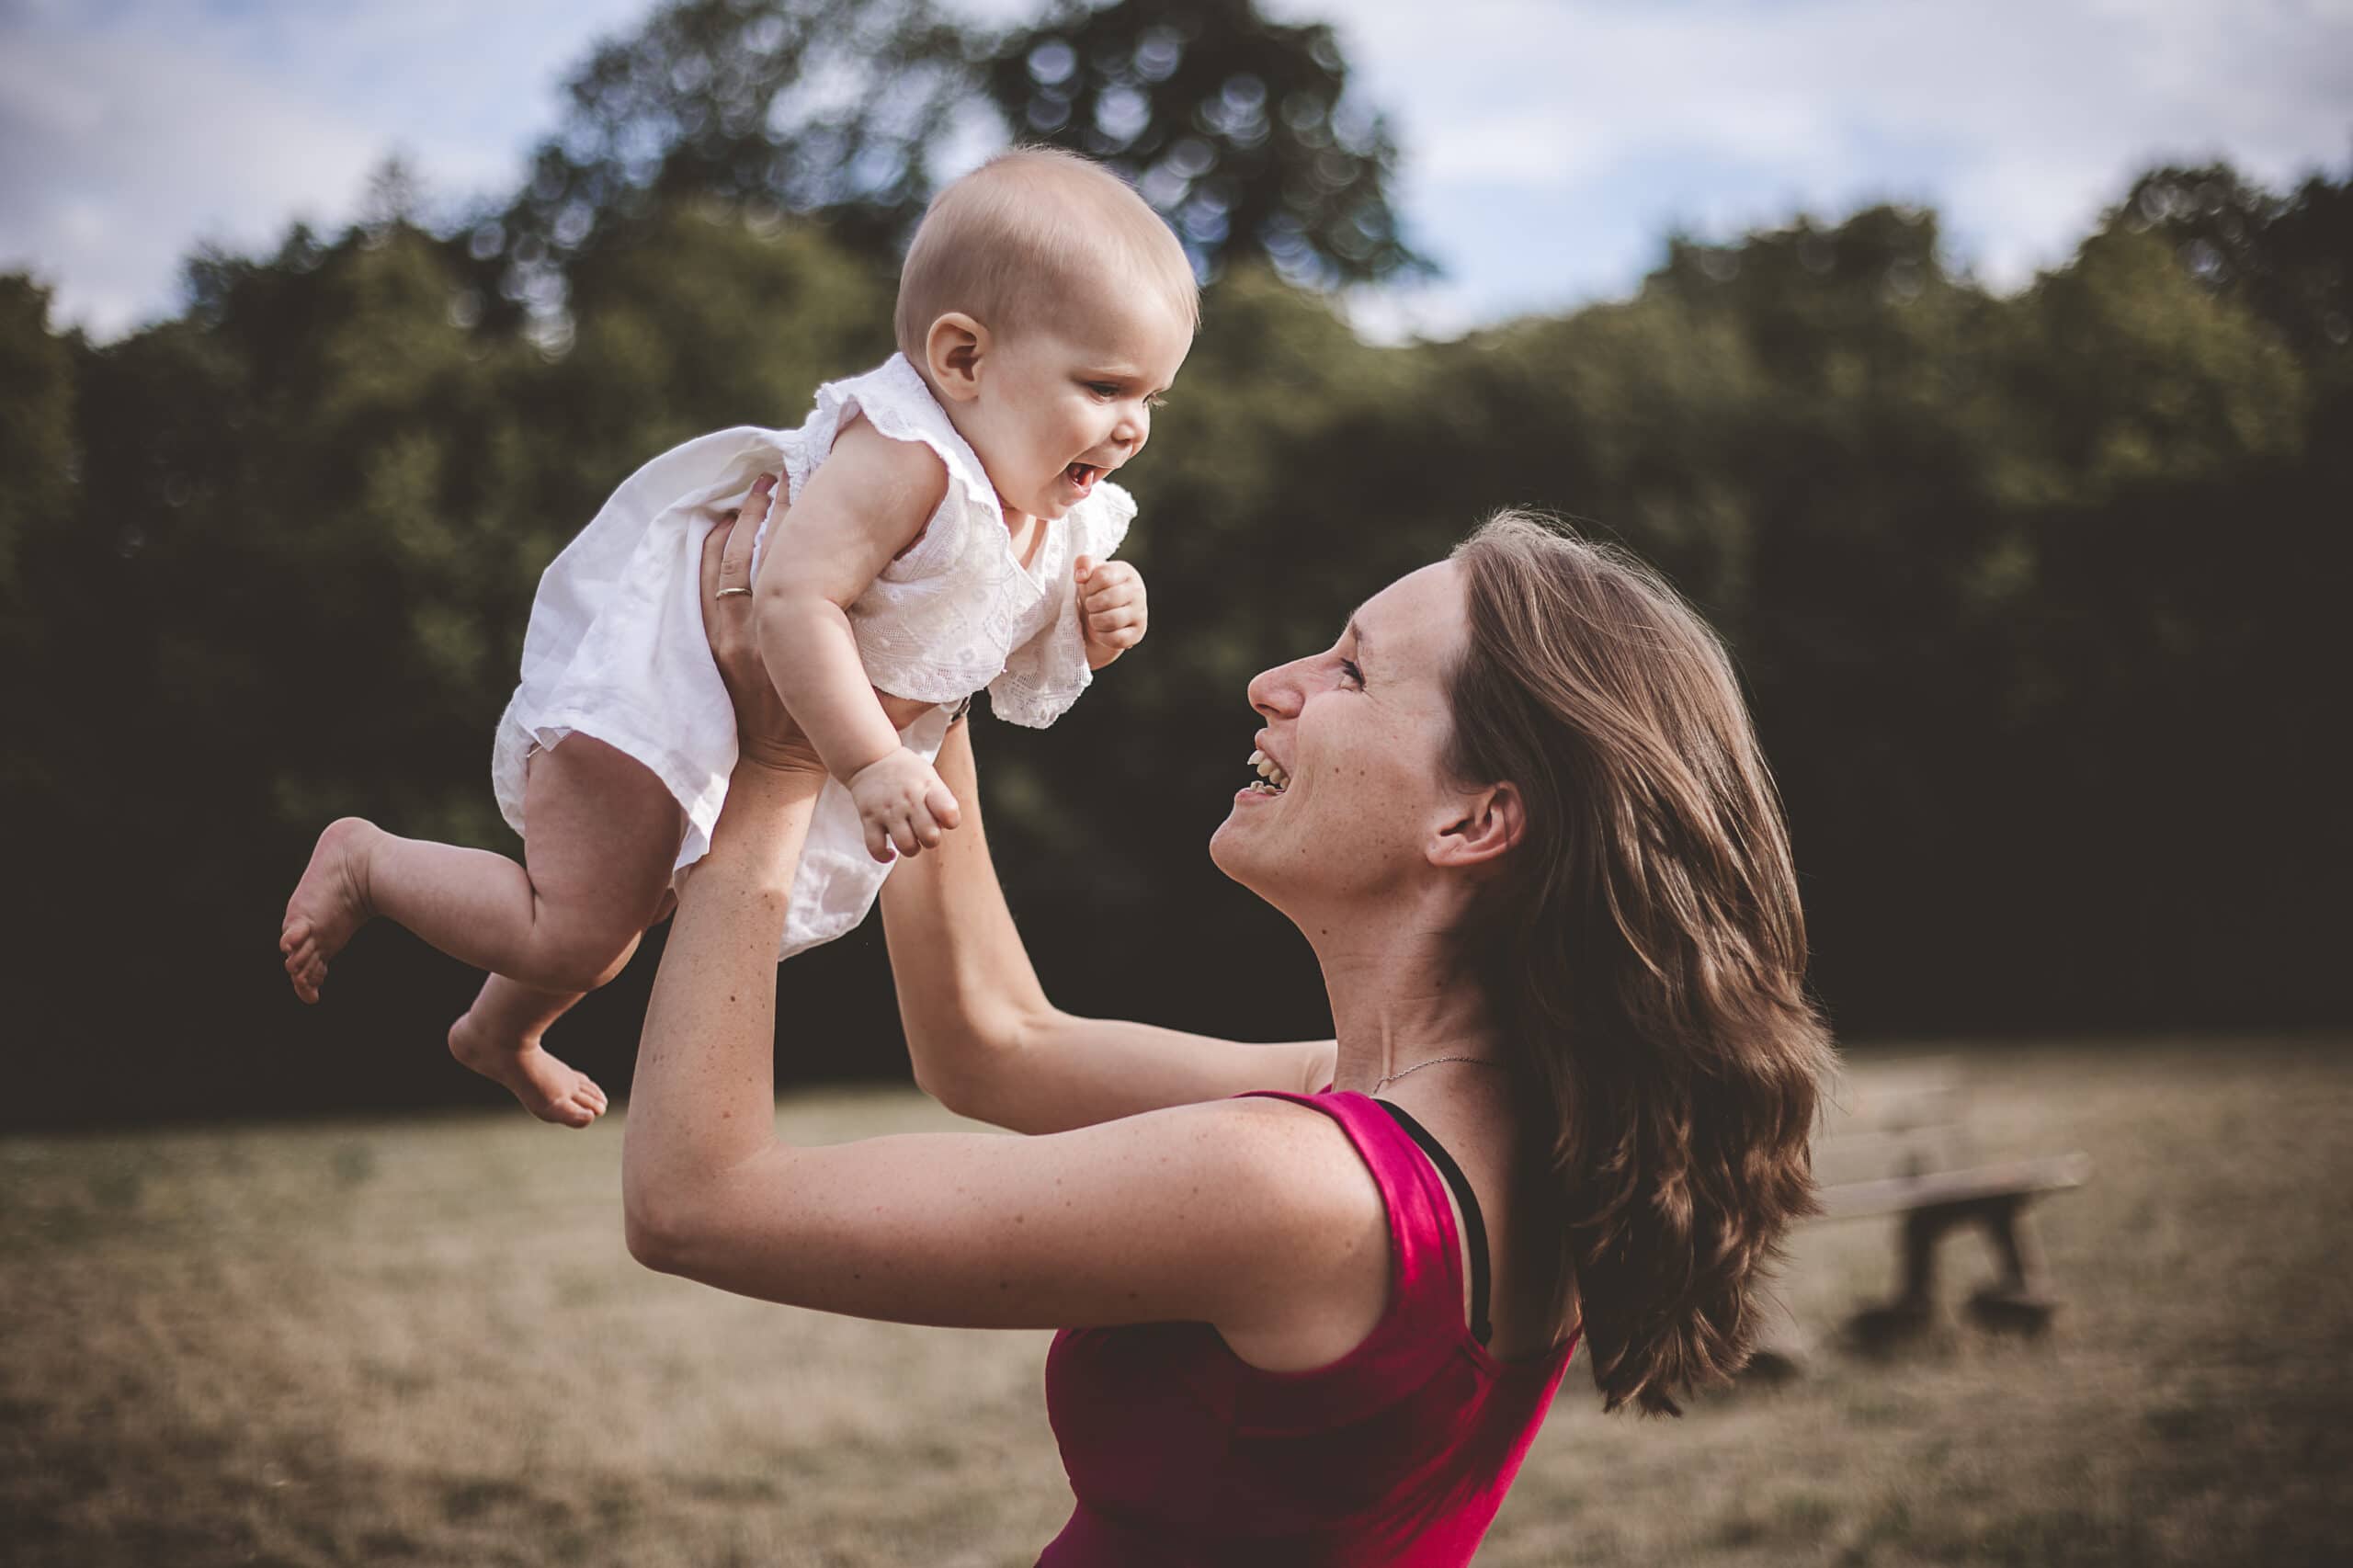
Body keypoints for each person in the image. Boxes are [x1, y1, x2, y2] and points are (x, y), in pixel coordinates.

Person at [623, 487, 1836, 1566]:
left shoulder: (1300, 1188)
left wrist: (780, 774)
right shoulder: (1479, 1120)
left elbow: (698, 1203)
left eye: (1351, 672)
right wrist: (926, 664)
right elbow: (993, 1040)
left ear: (1476, 823)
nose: (1276, 682)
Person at [278, 148, 1193, 1127]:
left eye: (1151, 399)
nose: (1132, 425)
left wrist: (1094, 620)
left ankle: (496, 1031)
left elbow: (979, 640)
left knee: (627, 913)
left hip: (731, 708)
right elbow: (792, 602)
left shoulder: (1037, 505)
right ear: (962, 359)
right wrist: (871, 759)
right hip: (661, 680)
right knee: (579, 930)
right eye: (1103, 387)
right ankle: (366, 860)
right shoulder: (901, 457)